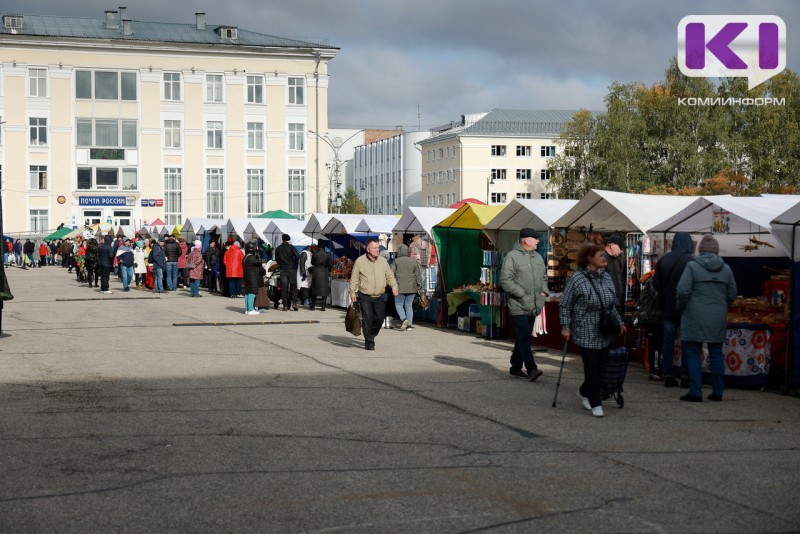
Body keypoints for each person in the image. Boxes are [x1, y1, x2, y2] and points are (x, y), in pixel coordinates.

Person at [560, 243, 626, 418]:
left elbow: (611, 305)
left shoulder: (606, 277)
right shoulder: (577, 279)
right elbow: (565, 305)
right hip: (585, 329)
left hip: (604, 330)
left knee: (602, 367)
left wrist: (619, 322)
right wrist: (566, 326)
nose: (604, 258)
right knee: (591, 367)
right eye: (600, 255)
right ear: (589, 258)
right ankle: (596, 403)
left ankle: (583, 392)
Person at [675, 234, 737, 402]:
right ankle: (718, 391)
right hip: (717, 316)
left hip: (694, 314)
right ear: (716, 251)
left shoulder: (692, 267)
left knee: (694, 353)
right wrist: (721, 306)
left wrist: (681, 308)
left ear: (700, 250)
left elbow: (682, 291)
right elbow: (732, 294)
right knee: (716, 353)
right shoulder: (726, 269)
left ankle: (695, 391)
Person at [500, 228, 549, 381]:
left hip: (534, 304)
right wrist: (521, 294)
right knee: (524, 337)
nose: (538, 241)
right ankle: (531, 368)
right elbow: (506, 281)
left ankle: (515, 367)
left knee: (524, 336)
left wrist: (543, 293)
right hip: (518, 305)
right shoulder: (512, 257)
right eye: (535, 238)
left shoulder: (538, 258)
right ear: (526, 240)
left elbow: (544, 277)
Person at [653, 232, 695, 388]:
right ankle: (685, 375)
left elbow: (656, 284)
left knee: (668, 341)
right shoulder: (692, 261)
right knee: (686, 342)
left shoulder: (664, 260)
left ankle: (668, 374)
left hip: (668, 306)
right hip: (687, 308)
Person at [349, 238, 399, 350]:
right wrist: (352, 293)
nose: (377, 250)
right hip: (365, 295)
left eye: (378, 248)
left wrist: (394, 286)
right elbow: (354, 279)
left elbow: (390, 276)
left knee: (380, 318)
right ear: (368, 249)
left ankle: (370, 334)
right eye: (375, 248)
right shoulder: (359, 261)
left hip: (380, 296)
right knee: (368, 318)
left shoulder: (383, 261)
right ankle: (369, 343)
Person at [391, 243, 422, 331]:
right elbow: (418, 275)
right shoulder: (413, 261)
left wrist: (392, 285)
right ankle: (409, 325)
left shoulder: (395, 261)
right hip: (412, 288)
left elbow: (391, 274)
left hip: (399, 287)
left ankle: (404, 319)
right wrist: (419, 285)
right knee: (409, 305)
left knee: (399, 304)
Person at [275, 234, 300, 311]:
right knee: (294, 287)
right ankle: (294, 303)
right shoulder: (291, 247)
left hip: (283, 269)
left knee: (284, 288)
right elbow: (298, 257)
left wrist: (281, 264)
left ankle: (285, 305)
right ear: (288, 240)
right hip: (291, 269)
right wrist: (294, 263)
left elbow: (277, 260)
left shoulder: (278, 248)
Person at [603, 234, 626, 314]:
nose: (621, 251)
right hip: (608, 300)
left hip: (617, 298)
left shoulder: (616, 258)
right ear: (611, 245)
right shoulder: (602, 258)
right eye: (619, 248)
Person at [310, 245, 333, 311]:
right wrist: (328, 270)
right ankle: (323, 307)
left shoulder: (315, 254)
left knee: (314, 289)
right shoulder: (328, 254)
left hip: (316, 272)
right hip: (324, 272)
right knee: (324, 290)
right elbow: (330, 264)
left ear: (318, 247)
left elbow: (312, 263)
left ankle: (313, 306)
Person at [242, 243, 262, 314]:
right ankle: (251, 309)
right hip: (252, 277)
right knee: (252, 293)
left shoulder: (245, 257)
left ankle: (247, 309)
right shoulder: (252, 258)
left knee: (247, 293)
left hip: (246, 277)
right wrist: (258, 255)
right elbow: (259, 262)